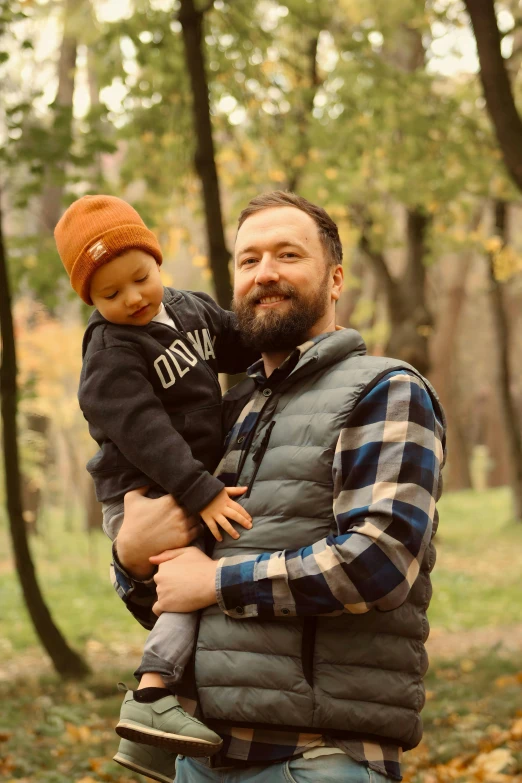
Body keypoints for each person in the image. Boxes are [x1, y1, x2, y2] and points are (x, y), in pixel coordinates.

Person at [107, 191, 446, 783]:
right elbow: (179, 600)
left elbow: (381, 562)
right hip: (203, 756)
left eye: (288, 254)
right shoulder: (226, 409)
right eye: (248, 260)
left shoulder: (386, 390)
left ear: (335, 279)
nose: (265, 272)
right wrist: (135, 564)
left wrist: (215, 581)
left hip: (318, 758)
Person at [54, 195, 259, 774]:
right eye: (110, 295)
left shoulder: (190, 309)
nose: (133, 298)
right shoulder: (111, 351)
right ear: (90, 301)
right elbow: (146, 435)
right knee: (185, 591)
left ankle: (153, 724)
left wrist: (295, 337)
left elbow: (240, 342)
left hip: (190, 485)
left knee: (198, 593)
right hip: (145, 495)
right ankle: (150, 695)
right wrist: (201, 491)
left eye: (141, 278)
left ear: (156, 261)